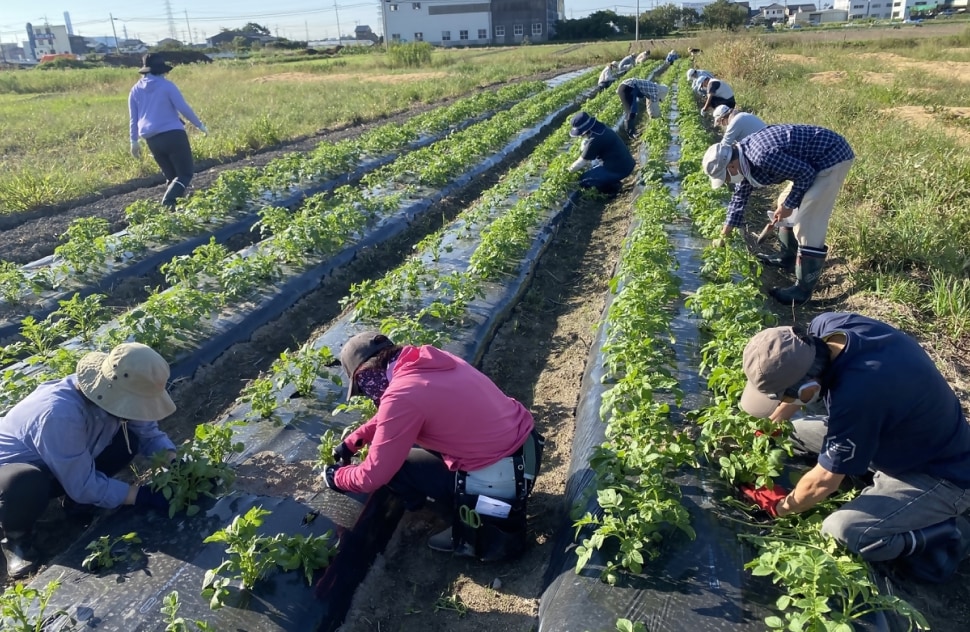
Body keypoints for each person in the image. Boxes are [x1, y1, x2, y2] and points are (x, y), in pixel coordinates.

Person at [738, 313, 970, 583]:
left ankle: (947, 531)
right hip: (893, 435)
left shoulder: (858, 396)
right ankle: (864, 473)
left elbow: (823, 482)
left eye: (784, 395)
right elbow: (802, 387)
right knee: (794, 433)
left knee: (843, 532)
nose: (780, 403)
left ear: (809, 388)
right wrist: (773, 426)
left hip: (940, 473)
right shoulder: (826, 329)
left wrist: (780, 508)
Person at [324, 332, 543, 560]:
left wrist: (336, 477)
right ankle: (476, 502)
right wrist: (353, 442)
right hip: (527, 454)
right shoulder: (427, 361)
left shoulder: (401, 396)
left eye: (362, 386)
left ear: (365, 374)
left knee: (396, 468)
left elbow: (373, 475)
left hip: (500, 481)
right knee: (411, 442)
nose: (367, 392)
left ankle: (468, 523)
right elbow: (395, 413)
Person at [0, 343, 179, 578]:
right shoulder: (59, 413)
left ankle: (77, 504)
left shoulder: (113, 392)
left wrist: (177, 465)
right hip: (11, 478)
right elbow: (83, 485)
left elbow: (149, 434)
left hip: (61, 463)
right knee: (26, 482)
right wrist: (144, 495)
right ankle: (15, 538)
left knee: (128, 440)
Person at [701, 124, 855, 305]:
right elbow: (738, 200)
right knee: (783, 202)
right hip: (812, 162)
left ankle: (802, 291)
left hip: (831, 158)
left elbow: (805, 174)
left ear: (731, 165)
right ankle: (788, 257)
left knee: (808, 222)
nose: (727, 181)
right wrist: (723, 236)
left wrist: (790, 205)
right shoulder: (743, 159)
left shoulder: (762, 156)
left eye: (725, 177)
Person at [129, 53, 208, 208]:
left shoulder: (135, 90)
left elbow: (133, 118)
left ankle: (174, 211)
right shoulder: (166, 86)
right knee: (185, 174)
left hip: (152, 139)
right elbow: (183, 108)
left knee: (172, 177)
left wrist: (133, 141)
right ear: (161, 70)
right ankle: (168, 202)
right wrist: (199, 125)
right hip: (173, 135)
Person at [566, 112, 636, 195]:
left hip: (619, 170)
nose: (581, 136)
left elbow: (581, 162)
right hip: (627, 163)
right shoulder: (601, 128)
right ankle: (612, 182)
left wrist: (567, 172)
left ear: (585, 130)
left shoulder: (595, 139)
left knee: (584, 180)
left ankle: (612, 189)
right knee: (594, 169)